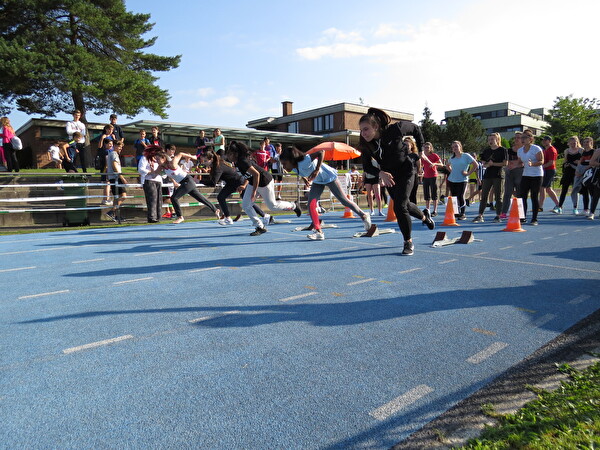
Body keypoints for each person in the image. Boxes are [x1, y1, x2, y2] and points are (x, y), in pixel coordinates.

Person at [358, 108, 434, 256]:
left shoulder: (395, 130)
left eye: (366, 129)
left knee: (399, 207)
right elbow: (367, 166)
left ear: (376, 126)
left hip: (406, 171)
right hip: (389, 177)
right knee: (404, 205)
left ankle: (408, 242)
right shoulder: (366, 144)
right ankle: (425, 217)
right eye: (361, 130)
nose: (363, 133)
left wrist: (420, 150)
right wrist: (380, 173)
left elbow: (415, 128)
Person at [280, 145, 374, 240]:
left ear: (292, 160)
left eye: (284, 164)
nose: (284, 167)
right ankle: (318, 232)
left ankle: (364, 215)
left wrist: (316, 170)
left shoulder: (305, 160)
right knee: (311, 204)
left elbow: (321, 152)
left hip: (329, 176)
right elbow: (301, 172)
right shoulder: (294, 167)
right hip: (318, 181)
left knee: (344, 200)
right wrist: (304, 179)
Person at [226, 141, 301, 236]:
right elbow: (248, 175)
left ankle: (294, 205)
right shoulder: (237, 162)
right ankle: (260, 227)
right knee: (246, 205)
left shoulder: (243, 162)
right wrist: (244, 185)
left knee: (272, 206)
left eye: (229, 153)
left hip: (265, 182)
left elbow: (256, 174)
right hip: (253, 183)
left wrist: (254, 192)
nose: (228, 156)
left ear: (236, 154)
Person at [200, 150, 267, 226]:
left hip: (239, 183)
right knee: (221, 197)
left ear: (211, 159)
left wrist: (199, 181)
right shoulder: (216, 165)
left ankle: (265, 216)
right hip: (231, 184)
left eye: (205, 161)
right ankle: (228, 219)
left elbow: (213, 183)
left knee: (247, 203)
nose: (204, 163)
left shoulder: (218, 166)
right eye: (203, 161)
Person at [155, 150, 220, 224]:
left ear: (163, 158)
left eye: (158, 159)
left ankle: (180, 217)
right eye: (156, 159)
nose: (157, 161)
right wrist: (174, 182)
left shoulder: (172, 163)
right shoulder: (162, 167)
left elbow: (180, 153)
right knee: (200, 198)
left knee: (174, 198)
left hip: (188, 181)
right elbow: (155, 173)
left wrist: (193, 157)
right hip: (184, 183)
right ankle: (215, 210)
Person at [473, 133, 507, 223]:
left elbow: (505, 163)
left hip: (498, 175)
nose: (490, 141)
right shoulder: (486, 151)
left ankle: (498, 215)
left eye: (492, 139)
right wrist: (488, 164)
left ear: (497, 140)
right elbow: (484, 163)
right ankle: (480, 215)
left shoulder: (502, 150)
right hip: (487, 175)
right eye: (489, 139)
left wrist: (493, 164)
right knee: (484, 195)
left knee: (498, 196)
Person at [517, 130, 544, 225]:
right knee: (521, 196)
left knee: (534, 196)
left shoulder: (536, 149)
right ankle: (522, 217)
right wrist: (515, 165)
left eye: (525, 137)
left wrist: (532, 163)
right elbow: (520, 162)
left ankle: (534, 219)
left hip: (536, 175)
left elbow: (541, 161)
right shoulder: (520, 150)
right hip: (526, 174)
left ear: (531, 139)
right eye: (522, 138)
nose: (522, 139)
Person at [446, 141, 477, 220]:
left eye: (456, 146)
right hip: (452, 180)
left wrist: (468, 173)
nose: (455, 148)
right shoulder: (452, 158)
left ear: (460, 146)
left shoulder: (466, 156)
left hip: (463, 179)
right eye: (453, 147)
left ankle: (462, 213)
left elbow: (475, 164)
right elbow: (447, 165)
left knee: (460, 196)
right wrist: (452, 171)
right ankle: (456, 213)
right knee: (454, 197)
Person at [555, 136, 582, 214]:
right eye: (571, 143)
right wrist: (565, 165)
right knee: (564, 189)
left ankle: (575, 208)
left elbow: (583, 161)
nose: (573, 144)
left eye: (574, 143)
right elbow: (565, 161)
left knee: (575, 190)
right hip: (568, 171)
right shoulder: (567, 151)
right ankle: (559, 207)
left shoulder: (581, 150)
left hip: (576, 171)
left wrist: (579, 162)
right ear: (569, 143)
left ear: (577, 142)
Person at [500, 132, 524, 219]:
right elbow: (506, 162)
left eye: (519, 138)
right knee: (507, 193)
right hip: (509, 173)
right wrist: (509, 165)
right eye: (516, 137)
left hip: (520, 173)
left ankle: (521, 213)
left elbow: (523, 162)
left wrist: (516, 164)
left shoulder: (524, 150)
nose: (517, 139)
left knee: (519, 193)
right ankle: (504, 212)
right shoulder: (509, 150)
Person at [138, 145, 163, 223]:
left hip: (158, 180)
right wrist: (150, 172)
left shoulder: (158, 159)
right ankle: (152, 217)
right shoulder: (144, 158)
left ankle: (159, 216)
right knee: (152, 199)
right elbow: (141, 169)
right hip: (149, 180)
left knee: (159, 199)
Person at [105, 139, 129, 223]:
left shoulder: (111, 154)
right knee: (123, 195)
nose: (120, 149)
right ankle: (112, 211)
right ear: (115, 146)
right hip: (116, 178)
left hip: (113, 177)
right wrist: (122, 178)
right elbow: (115, 166)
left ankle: (115, 215)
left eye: (121, 147)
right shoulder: (114, 154)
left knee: (116, 197)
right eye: (119, 147)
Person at [570, 137, 595, 215]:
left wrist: (584, 172)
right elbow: (580, 162)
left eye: (587, 142)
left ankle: (592, 210)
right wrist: (577, 171)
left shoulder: (594, 151)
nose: (585, 143)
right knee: (584, 192)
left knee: (592, 192)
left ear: (591, 143)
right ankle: (585, 209)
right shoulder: (584, 152)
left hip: (590, 173)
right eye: (584, 142)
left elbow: (592, 163)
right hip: (582, 173)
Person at [538, 135, 560, 212]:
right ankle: (558, 205)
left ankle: (540, 207)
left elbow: (551, 162)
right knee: (548, 189)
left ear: (549, 141)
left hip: (549, 170)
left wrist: (541, 167)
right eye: (542, 140)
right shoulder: (545, 150)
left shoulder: (552, 150)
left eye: (545, 140)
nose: (543, 141)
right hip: (546, 170)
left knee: (542, 187)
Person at [420, 142, 442, 217]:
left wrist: (434, 164)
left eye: (428, 147)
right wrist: (421, 170)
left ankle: (435, 210)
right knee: (426, 194)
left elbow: (441, 164)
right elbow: (422, 165)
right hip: (426, 176)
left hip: (433, 176)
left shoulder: (434, 155)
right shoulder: (423, 156)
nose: (426, 149)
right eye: (425, 147)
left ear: (431, 148)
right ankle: (427, 209)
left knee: (434, 193)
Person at [404, 136, 421, 205]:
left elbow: (419, 165)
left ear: (411, 145)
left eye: (408, 145)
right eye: (404, 145)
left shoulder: (415, 155)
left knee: (413, 194)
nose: (406, 147)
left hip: (413, 176)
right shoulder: (401, 155)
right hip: (404, 177)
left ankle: (414, 209)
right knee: (405, 194)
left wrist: (417, 172)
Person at [97, 137, 114, 205]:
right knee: (108, 185)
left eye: (112, 144)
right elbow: (107, 161)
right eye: (109, 144)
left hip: (104, 169)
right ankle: (107, 199)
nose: (111, 145)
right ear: (105, 144)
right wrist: (108, 170)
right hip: (106, 170)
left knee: (106, 185)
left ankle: (104, 199)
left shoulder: (103, 150)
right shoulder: (108, 151)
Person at [586, 147, 600, 220]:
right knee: (596, 194)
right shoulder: (598, 150)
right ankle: (592, 213)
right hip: (598, 174)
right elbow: (591, 162)